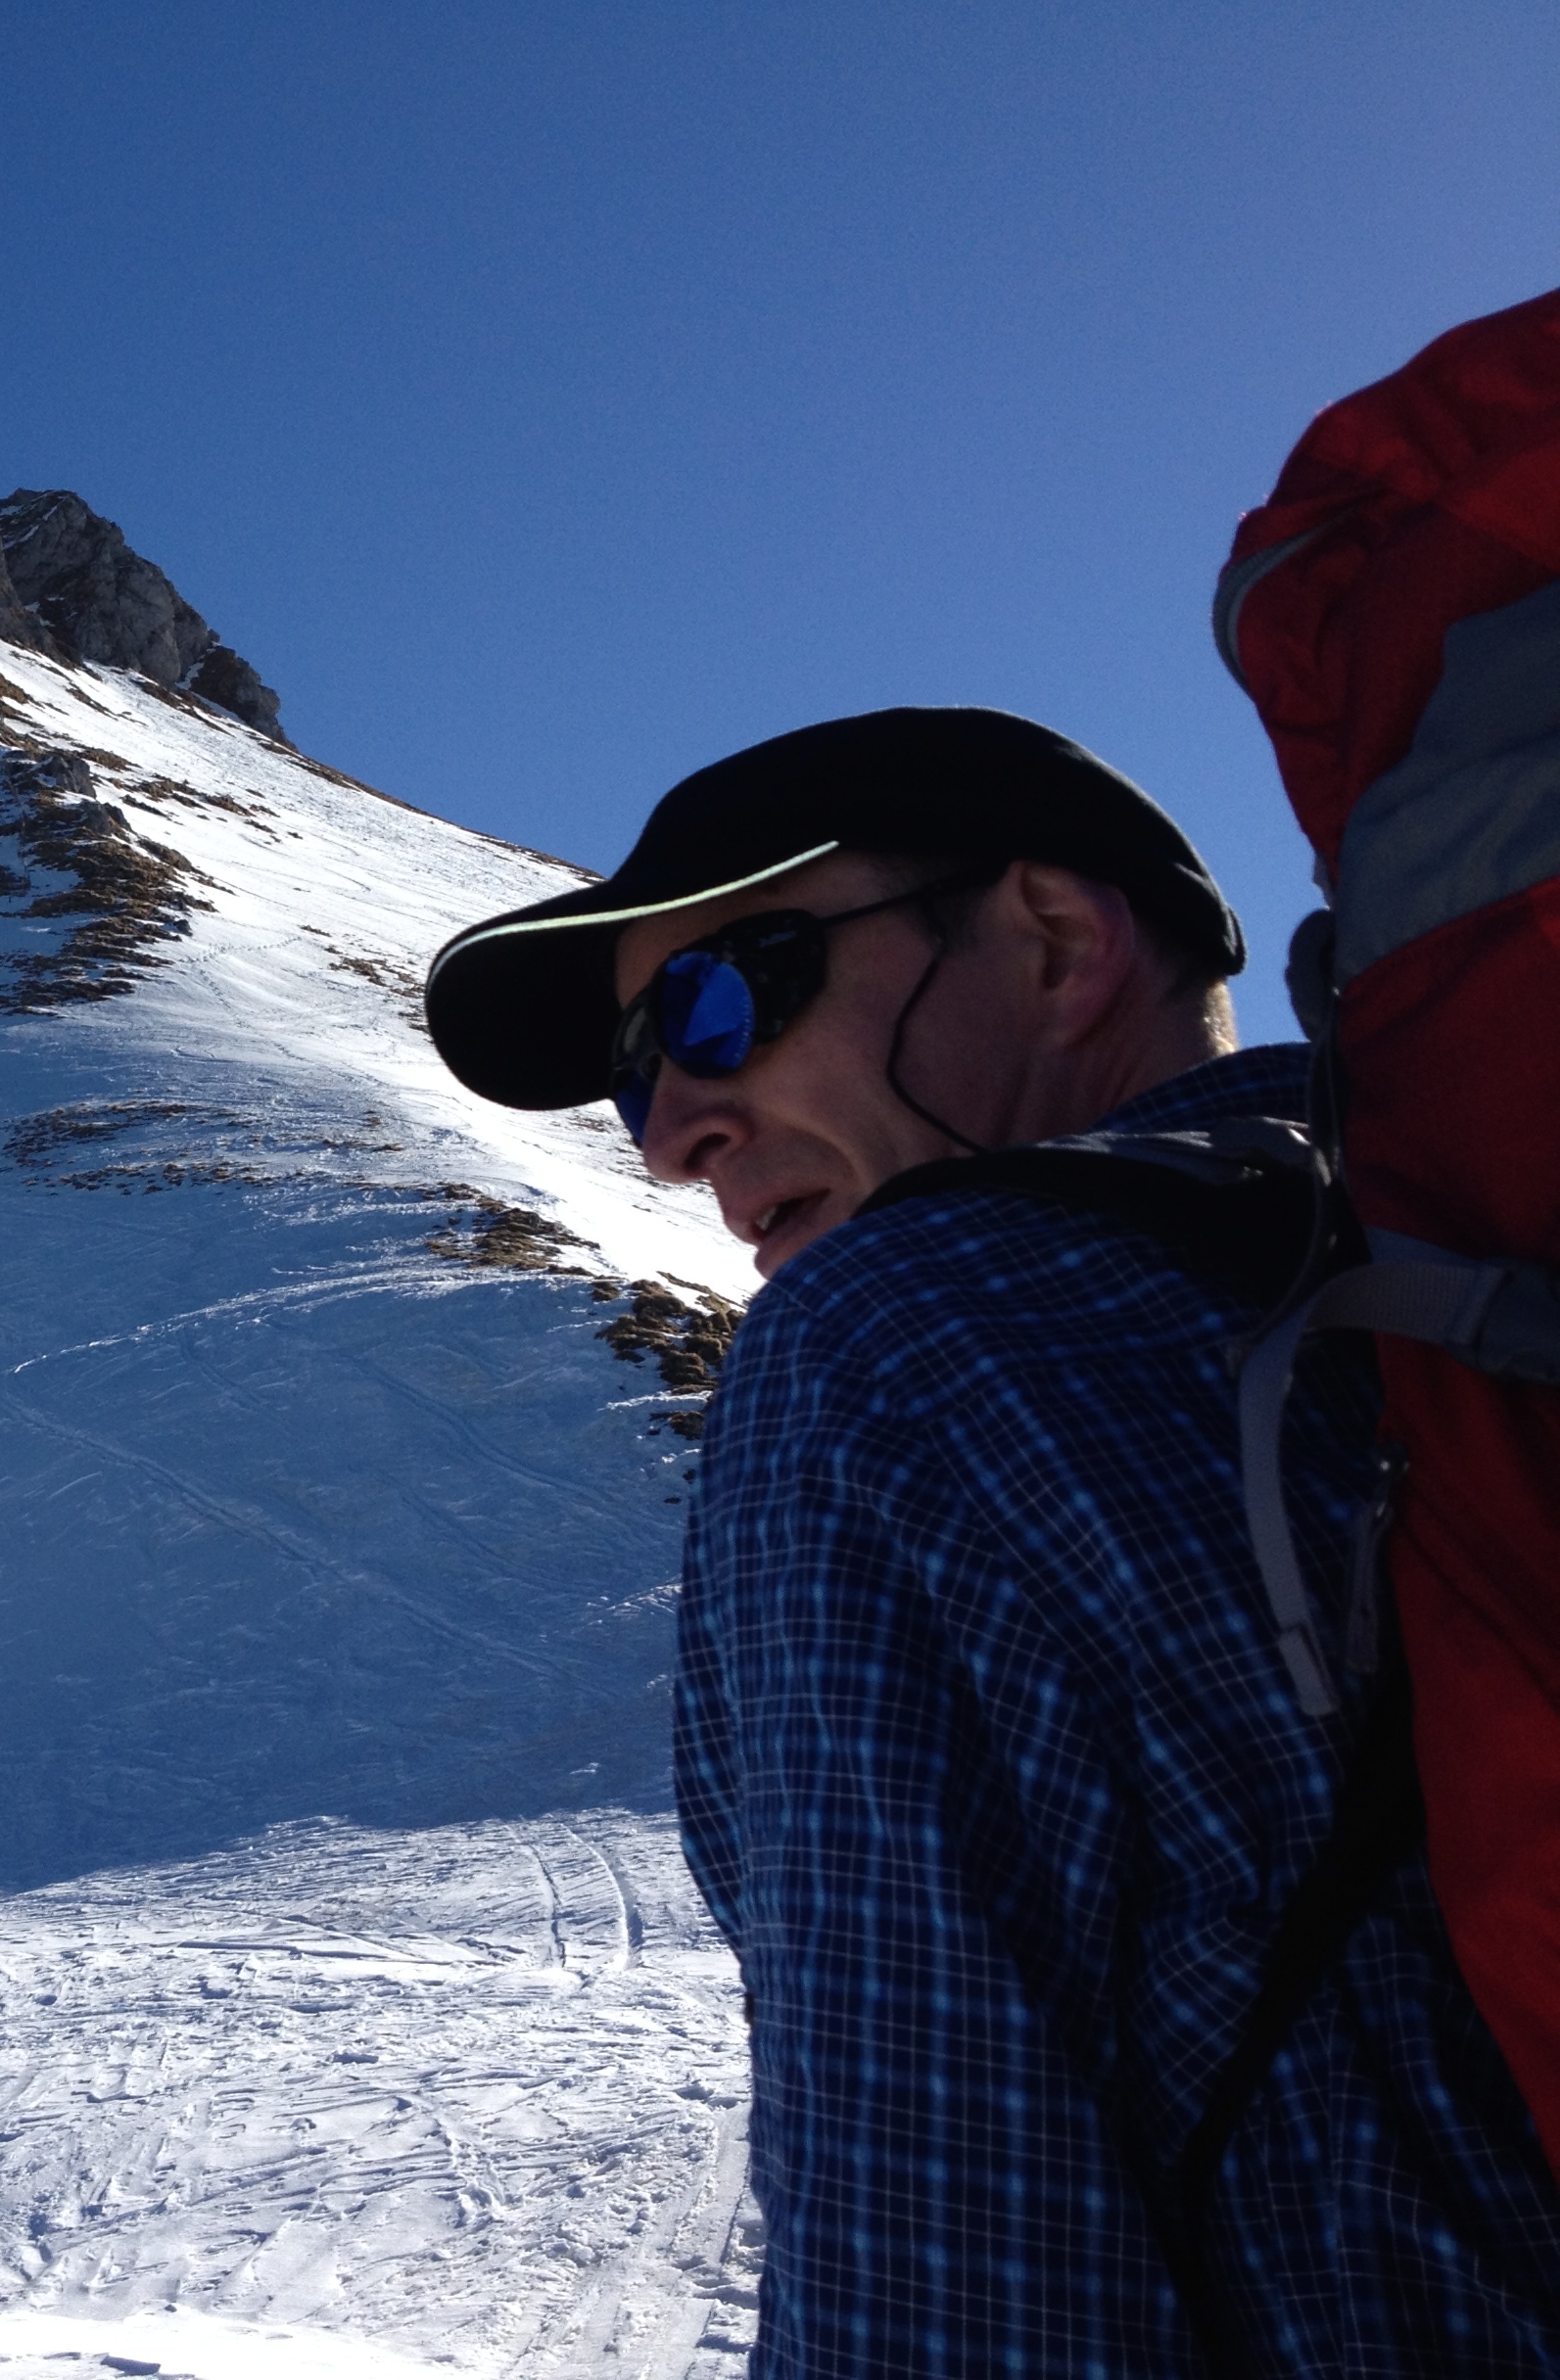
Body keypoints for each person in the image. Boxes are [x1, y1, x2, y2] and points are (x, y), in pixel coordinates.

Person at [424, 706, 1560, 2376]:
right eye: (636, 1076)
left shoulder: (890, 1348)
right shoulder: (1473, 1270)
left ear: (1053, 941)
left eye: (719, 1003)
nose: (670, 1135)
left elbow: (944, 2263)